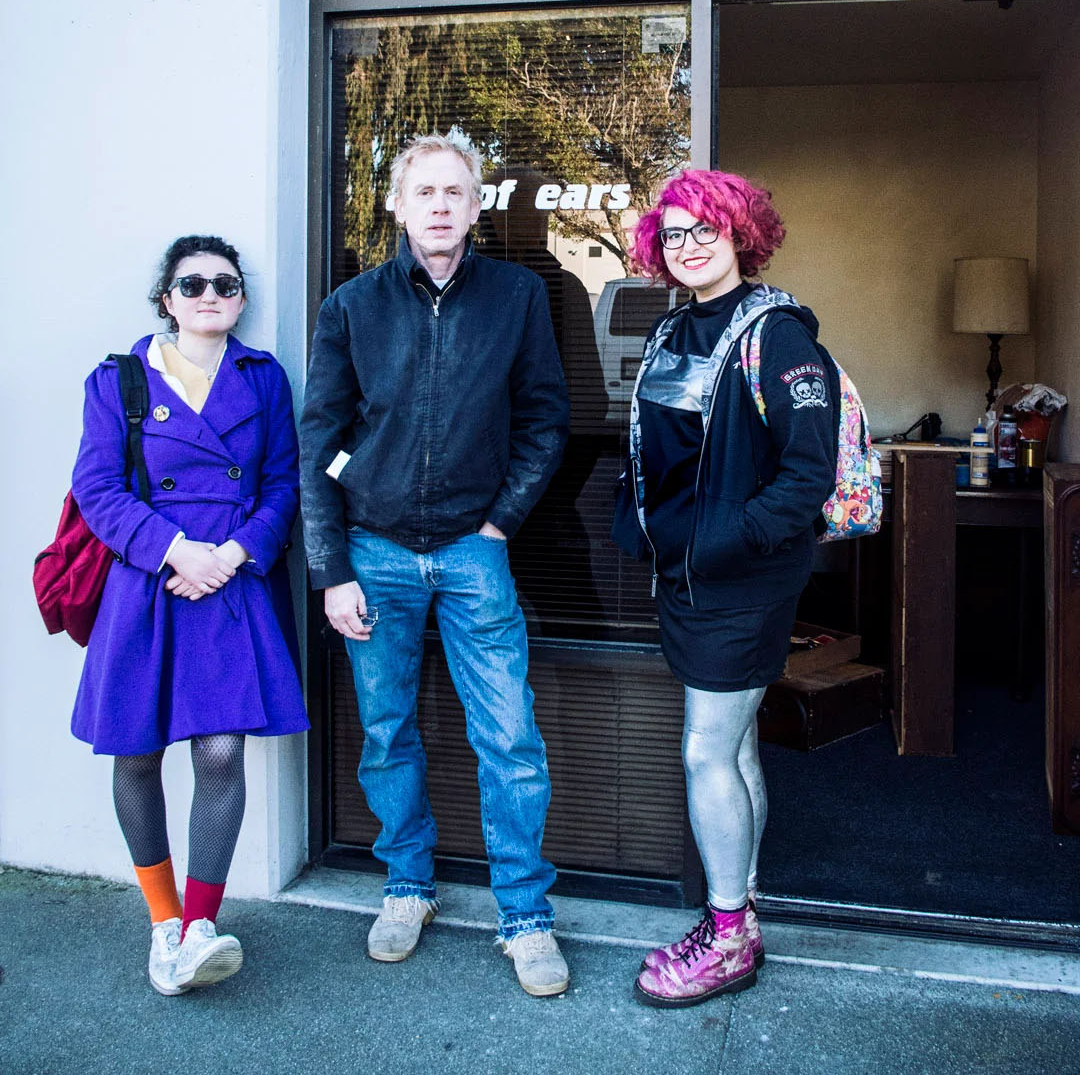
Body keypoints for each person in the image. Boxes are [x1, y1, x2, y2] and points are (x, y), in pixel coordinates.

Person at [299, 134, 571, 996]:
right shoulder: (352, 306)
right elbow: (318, 442)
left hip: (472, 552)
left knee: (510, 737)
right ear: (399, 204)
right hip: (373, 551)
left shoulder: (518, 296)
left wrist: (498, 525)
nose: (442, 205)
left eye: (456, 191)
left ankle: (524, 914)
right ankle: (407, 885)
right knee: (387, 731)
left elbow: (546, 421)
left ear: (477, 204)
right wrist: (332, 568)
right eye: (425, 192)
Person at [612, 169, 838, 1008]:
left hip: (742, 582)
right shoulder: (674, 327)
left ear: (742, 232)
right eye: (672, 233)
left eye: (705, 227)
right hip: (687, 577)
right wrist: (644, 525)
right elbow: (657, 446)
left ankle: (729, 933)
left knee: (706, 749)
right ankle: (740, 898)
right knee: (734, 745)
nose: (688, 245)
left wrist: (722, 542)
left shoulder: (778, 336)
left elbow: (807, 476)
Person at [70, 235, 309, 996]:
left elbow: (283, 483)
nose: (211, 295)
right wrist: (176, 551)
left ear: (240, 300)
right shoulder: (119, 379)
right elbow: (98, 489)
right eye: (193, 283)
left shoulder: (261, 377)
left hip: (231, 582)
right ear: (167, 299)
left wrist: (231, 555)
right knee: (137, 754)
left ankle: (202, 925)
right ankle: (163, 923)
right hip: (149, 582)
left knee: (220, 754)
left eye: (226, 284)